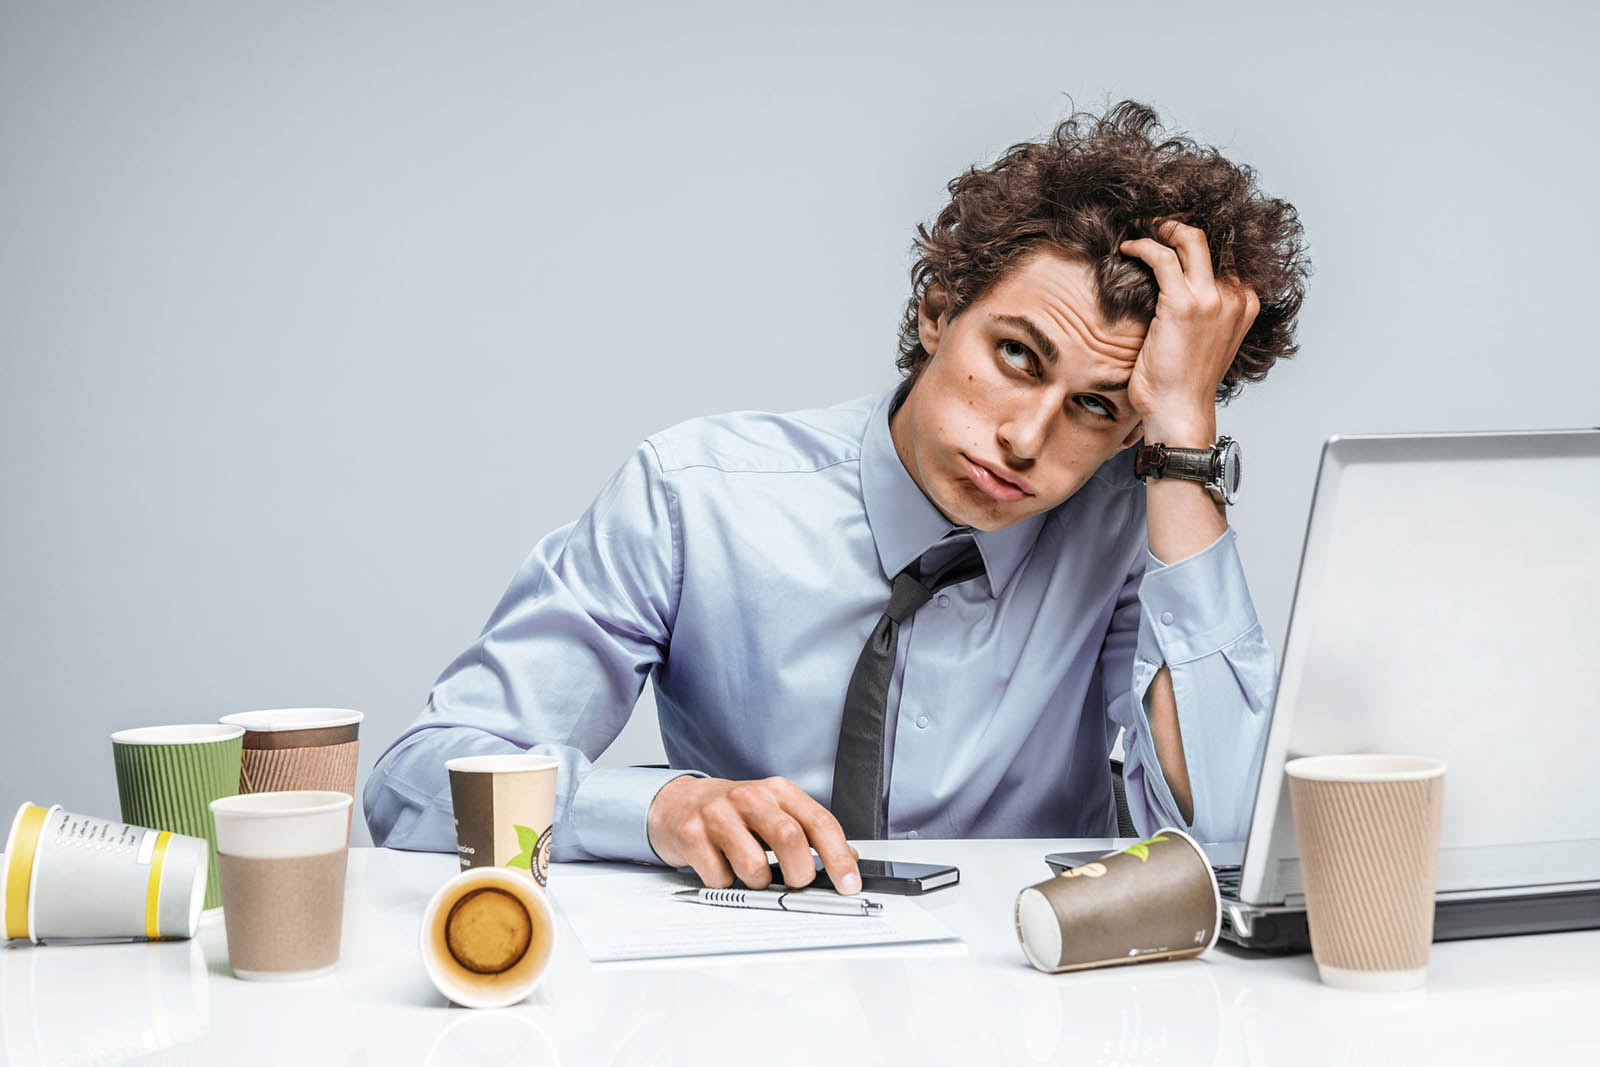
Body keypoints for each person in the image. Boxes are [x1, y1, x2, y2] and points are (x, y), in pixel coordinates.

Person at [364, 99, 1311, 896]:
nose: (1027, 438)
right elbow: (415, 782)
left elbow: (1233, 846)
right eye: (1016, 355)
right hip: (744, 991)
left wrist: (1184, 436)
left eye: (1097, 407)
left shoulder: (1127, 531)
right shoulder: (697, 499)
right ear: (939, 309)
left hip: (1033, 997)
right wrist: (661, 808)